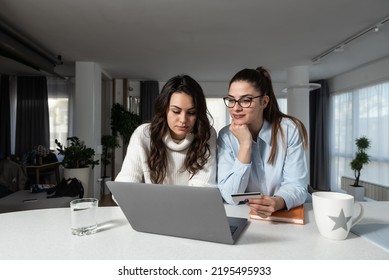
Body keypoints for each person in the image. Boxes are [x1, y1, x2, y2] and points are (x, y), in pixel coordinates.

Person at [217, 67, 308, 218]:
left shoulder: (288, 130)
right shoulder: (225, 136)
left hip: (283, 214)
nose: (236, 108)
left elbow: (297, 185)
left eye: (246, 100)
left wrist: (277, 202)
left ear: (264, 102)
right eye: (231, 100)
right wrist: (245, 145)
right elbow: (229, 195)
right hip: (245, 216)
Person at [115, 74, 217, 187]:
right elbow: (125, 183)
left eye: (191, 113)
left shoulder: (206, 134)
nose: (183, 120)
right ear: (165, 109)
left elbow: (202, 187)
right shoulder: (143, 134)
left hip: (191, 204)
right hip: (153, 204)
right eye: (176, 111)